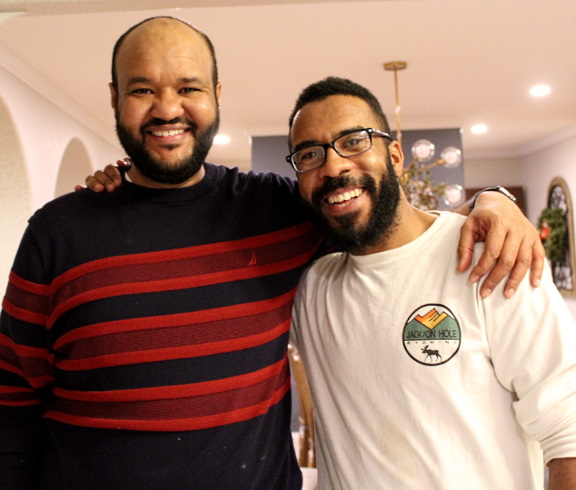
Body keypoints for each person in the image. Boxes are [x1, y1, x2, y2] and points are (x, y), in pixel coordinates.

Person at [0, 16, 543, 490]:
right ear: (115, 98)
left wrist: (488, 201)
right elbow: (13, 408)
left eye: (188, 86)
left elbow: (380, 218)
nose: (168, 108)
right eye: (142, 89)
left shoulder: (276, 208)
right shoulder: (57, 233)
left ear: (216, 95)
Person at [288, 76, 576, 489]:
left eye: (354, 141)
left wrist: (492, 199)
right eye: (310, 154)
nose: (333, 166)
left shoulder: (493, 256)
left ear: (396, 155)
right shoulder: (312, 288)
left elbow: (568, 427)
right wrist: (489, 195)